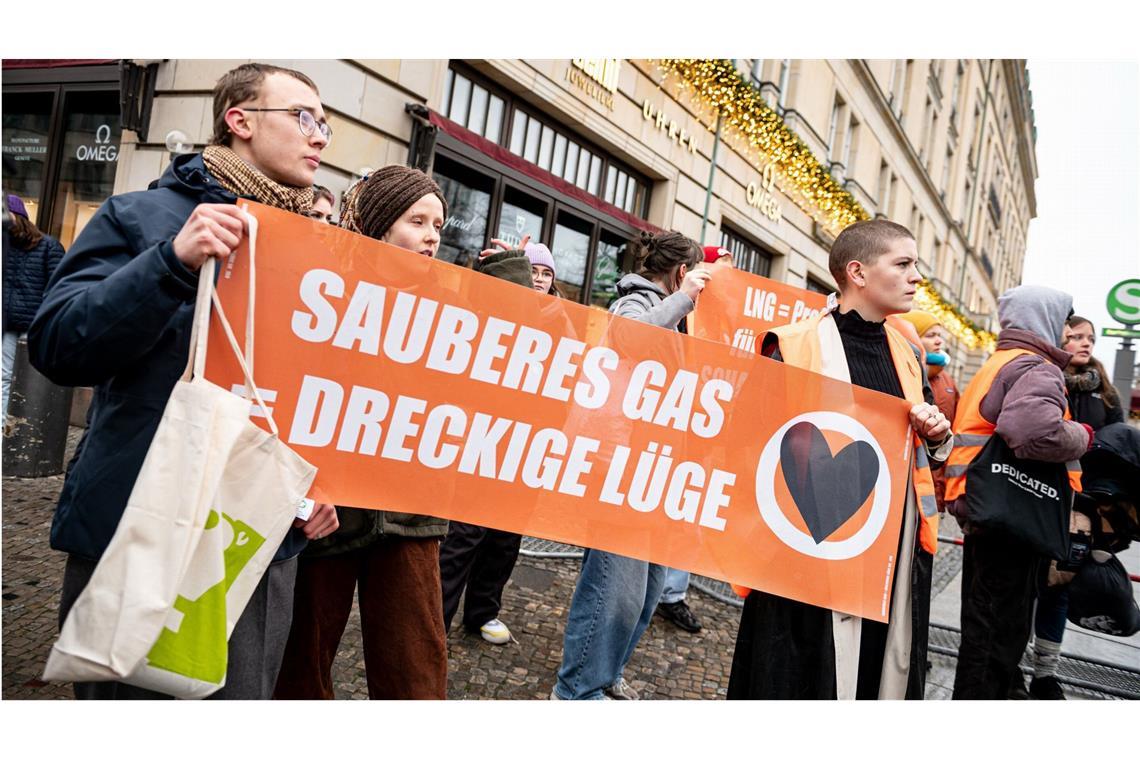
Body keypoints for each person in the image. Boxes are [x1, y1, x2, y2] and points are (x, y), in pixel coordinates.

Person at [27, 62, 340, 699]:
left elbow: (323, 392)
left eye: (325, 123)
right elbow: (59, 345)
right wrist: (168, 264)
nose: (321, 136)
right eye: (304, 117)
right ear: (240, 120)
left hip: (253, 540)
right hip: (139, 520)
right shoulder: (141, 217)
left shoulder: (318, 251)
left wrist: (325, 482)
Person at [728, 219, 952, 700]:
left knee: (872, 675)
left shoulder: (908, 353)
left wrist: (934, 433)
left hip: (888, 556)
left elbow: (913, 453)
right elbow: (749, 442)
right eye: (904, 264)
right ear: (858, 272)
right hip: (806, 552)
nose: (917, 277)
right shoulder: (791, 344)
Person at [552, 229, 711, 700]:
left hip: (656, 468)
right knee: (612, 586)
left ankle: (606, 671)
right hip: (620, 466)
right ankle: (577, 689)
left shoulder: (677, 317)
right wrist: (684, 300)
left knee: (645, 589)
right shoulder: (634, 302)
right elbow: (629, 338)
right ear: (682, 273)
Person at [946, 285, 1092, 700]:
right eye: (1064, 323)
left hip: (984, 507)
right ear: (1044, 319)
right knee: (997, 635)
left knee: (983, 627)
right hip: (1014, 514)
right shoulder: (1036, 367)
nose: (1067, 334)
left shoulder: (1000, 361)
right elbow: (1034, 433)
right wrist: (1082, 435)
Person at [437, 241, 549, 647]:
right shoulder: (490, 311)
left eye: (546, 273)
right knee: (464, 536)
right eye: (530, 272)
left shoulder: (559, 322)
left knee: (505, 540)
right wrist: (507, 268)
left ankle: (483, 611)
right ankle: (434, 624)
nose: (538, 280)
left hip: (526, 448)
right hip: (481, 442)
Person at [1027, 315, 1122, 700]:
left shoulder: (1107, 393)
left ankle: (1045, 675)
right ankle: (1012, 664)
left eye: (1091, 338)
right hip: (1040, 497)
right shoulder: (1044, 377)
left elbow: (1116, 448)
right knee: (1028, 583)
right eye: (1077, 336)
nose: (1085, 344)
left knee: (1059, 587)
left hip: (1084, 507)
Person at [3, 195, 65, 420]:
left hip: (35, 325)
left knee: (31, 378)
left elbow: (60, 285)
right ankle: (4, 428)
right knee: (5, 377)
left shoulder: (48, 246)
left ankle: (26, 429)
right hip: (10, 324)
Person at [897, 310, 960, 512]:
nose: (938, 341)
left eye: (940, 335)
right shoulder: (904, 371)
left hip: (935, 478)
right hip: (905, 476)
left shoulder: (948, 381)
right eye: (930, 335)